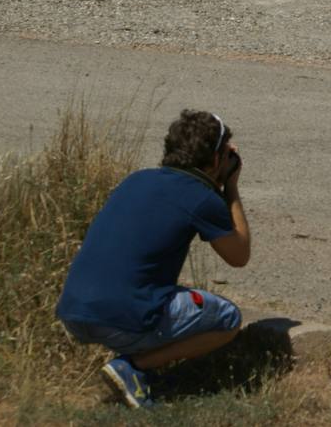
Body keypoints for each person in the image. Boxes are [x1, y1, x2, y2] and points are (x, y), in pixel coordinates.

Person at [56, 110, 252, 410]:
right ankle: (133, 366)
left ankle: (132, 365)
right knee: (228, 318)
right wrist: (231, 189)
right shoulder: (202, 198)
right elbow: (239, 255)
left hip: (74, 312)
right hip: (121, 319)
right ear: (215, 161)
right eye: (227, 152)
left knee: (164, 291)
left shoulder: (137, 179)